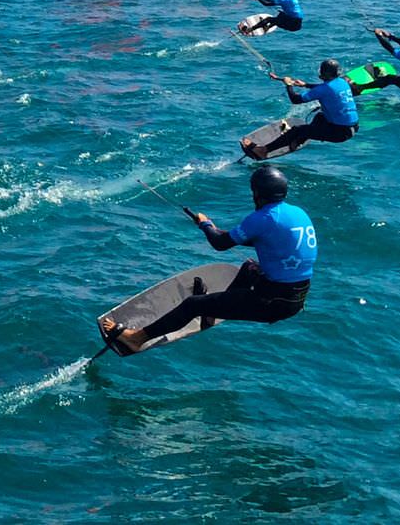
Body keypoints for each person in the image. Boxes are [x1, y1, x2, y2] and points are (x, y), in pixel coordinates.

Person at [100, 165, 315, 355]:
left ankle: (135, 339)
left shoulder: (264, 217)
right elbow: (268, 242)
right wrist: (217, 231)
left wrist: (206, 225)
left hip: (272, 303)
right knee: (250, 267)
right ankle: (215, 308)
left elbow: (220, 245)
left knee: (192, 305)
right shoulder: (296, 213)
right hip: (295, 297)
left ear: (257, 194)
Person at [244, 60, 360, 158]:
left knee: (298, 130)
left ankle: (264, 150)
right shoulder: (342, 82)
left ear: (323, 73)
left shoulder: (323, 89)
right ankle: (298, 141)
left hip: (339, 133)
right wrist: (305, 85)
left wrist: (289, 85)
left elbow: (296, 100)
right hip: (352, 127)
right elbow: (326, 88)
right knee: (320, 116)